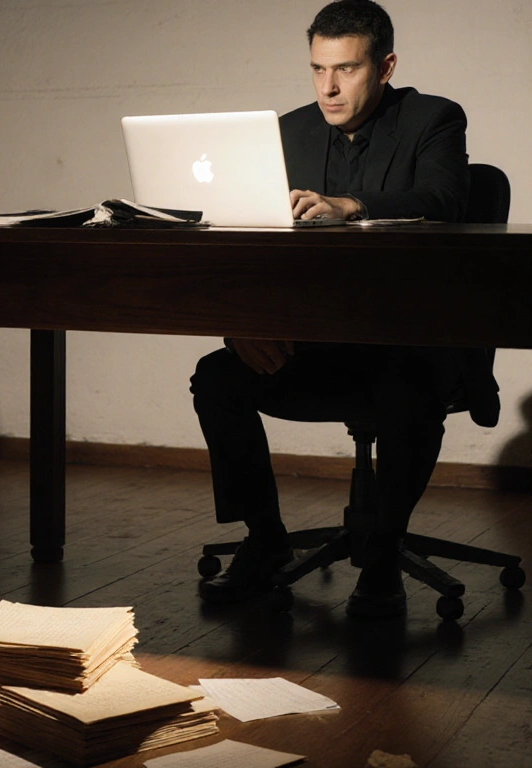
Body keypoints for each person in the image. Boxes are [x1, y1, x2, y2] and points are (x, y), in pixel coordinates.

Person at [190, 0, 498, 617]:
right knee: (217, 377)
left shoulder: (434, 118)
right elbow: (248, 243)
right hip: (319, 345)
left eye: (347, 69)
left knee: (408, 388)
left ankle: (381, 558)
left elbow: (442, 199)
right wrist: (238, 327)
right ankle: (265, 540)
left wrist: (351, 205)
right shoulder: (288, 130)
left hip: (410, 343)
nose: (328, 87)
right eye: (317, 69)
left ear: (384, 67)